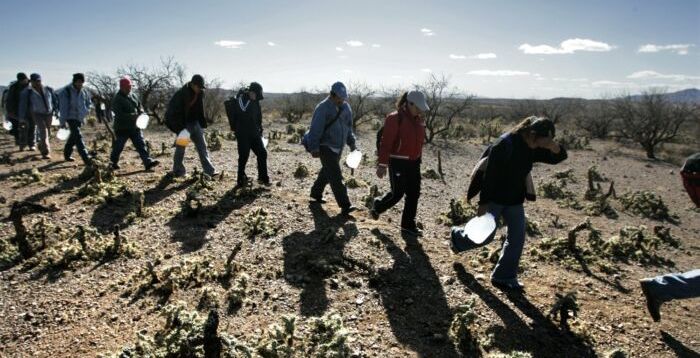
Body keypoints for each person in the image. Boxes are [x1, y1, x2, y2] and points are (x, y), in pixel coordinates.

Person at [476, 116, 567, 291]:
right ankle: (457, 239)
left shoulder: (534, 147)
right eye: (543, 140)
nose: (543, 145)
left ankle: (503, 276)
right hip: (495, 199)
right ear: (532, 134)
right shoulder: (504, 145)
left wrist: (553, 146)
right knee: (483, 236)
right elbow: (489, 176)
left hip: (515, 200)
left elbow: (558, 157)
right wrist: (483, 203)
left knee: (517, 237)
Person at [371, 91, 430, 237]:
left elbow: (419, 143)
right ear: (409, 103)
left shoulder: (419, 120)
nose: (420, 110)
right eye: (418, 107)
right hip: (397, 161)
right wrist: (382, 165)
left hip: (414, 162)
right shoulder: (394, 118)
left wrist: (418, 158)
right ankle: (378, 206)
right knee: (397, 193)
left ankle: (408, 225)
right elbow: (386, 143)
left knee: (414, 194)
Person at [306, 82, 358, 216]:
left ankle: (315, 194)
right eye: (340, 98)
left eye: (344, 97)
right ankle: (345, 205)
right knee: (335, 175)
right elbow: (315, 129)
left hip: (339, 146)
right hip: (325, 146)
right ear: (332, 95)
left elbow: (348, 127)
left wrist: (352, 143)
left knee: (327, 172)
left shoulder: (346, 107)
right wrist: (314, 148)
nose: (342, 100)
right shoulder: (322, 108)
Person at [168, 74, 217, 177]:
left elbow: (200, 109)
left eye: (201, 87)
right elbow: (172, 112)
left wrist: (202, 122)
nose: (200, 89)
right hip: (184, 126)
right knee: (181, 148)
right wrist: (179, 128)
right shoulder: (181, 94)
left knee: (202, 147)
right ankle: (178, 171)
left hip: (196, 123)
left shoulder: (200, 93)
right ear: (193, 84)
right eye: (198, 87)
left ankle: (209, 171)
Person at [109, 77, 159, 171]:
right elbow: (119, 114)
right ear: (121, 87)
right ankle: (112, 163)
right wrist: (133, 116)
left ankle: (148, 162)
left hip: (135, 126)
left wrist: (141, 112)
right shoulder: (117, 99)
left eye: (130, 87)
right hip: (122, 128)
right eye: (127, 87)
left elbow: (139, 106)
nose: (129, 89)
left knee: (141, 144)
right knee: (118, 147)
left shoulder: (133, 95)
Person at [228, 82, 269, 187]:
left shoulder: (256, 101)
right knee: (244, 156)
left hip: (255, 133)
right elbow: (243, 109)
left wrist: (260, 129)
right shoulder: (242, 99)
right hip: (243, 134)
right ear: (251, 92)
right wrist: (249, 99)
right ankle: (240, 179)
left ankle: (263, 178)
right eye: (256, 94)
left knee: (262, 153)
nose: (257, 97)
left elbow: (258, 116)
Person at [19, 73, 58, 158]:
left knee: (47, 131)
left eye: (39, 81)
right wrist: (22, 117)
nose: (37, 83)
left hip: (49, 113)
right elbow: (23, 105)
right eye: (35, 81)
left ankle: (41, 145)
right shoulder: (27, 92)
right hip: (37, 114)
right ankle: (46, 152)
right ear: (31, 82)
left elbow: (55, 101)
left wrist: (56, 111)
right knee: (43, 131)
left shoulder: (48, 89)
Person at [57, 73, 93, 164]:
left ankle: (67, 154)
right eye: (78, 82)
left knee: (73, 137)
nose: (80, 84)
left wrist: (86, 110)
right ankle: (86, 158)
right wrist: (62, 122)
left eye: (81, 82)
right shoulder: (66, 92)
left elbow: (88, 103)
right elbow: (63, 108)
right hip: (70, 117)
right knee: (78, 137)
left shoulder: (84, 91)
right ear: (74, 81)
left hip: (79, 117)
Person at [4, 73, 29, 148]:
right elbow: (10, 100)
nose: (25, 81)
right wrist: (10, 111)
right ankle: (18, 140)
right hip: (15, 110)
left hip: (27, 110)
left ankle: (28, 141)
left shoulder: (31, 85)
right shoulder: (14, 87)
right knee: (16, 126)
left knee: (29, 126)